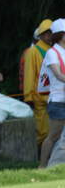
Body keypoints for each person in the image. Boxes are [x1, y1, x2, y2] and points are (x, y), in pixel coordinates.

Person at [36, 19, 65, 168]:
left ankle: (55, 165)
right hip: (58, 101)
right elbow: (58, 74)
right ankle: (42, 166)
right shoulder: (52, 53)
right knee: (54, 136)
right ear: (61, 35)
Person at [20, 19, 53, 145]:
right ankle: (38, 153)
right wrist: (28, 97)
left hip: (54, 96)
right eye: (46, 33)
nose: (49, 36)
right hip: (39, 98)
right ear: (41, 35)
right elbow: (29, 75)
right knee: (42, 131)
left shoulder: (54, 50)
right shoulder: (32, 52)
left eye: (51, 33)